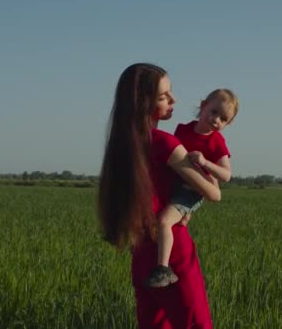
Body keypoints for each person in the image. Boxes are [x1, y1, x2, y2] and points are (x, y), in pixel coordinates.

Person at [98, 63, 220, 328]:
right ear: (144, 102)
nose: (173, 99)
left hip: (141, 254)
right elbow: (211, 194)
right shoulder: (164, 142)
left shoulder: (121, 147)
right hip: (172, 253)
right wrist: (211, 174)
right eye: (164, 95)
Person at [145, 89, 239, 288]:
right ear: (203, 105)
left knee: (163, 221)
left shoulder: (217, 142)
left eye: (223, 119)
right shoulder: (182, 130)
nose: (216, 120)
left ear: (227, 124)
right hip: (174, 183)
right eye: (214, 112)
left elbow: (226, 175)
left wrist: (205, 163)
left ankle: (163, 269)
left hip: (190, 191)